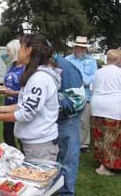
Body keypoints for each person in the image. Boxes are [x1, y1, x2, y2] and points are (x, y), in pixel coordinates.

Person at [0, 34, 61, 161]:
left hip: (40, 146)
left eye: (21, 47)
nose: (18, 51)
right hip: (34, 143)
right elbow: (25, 104)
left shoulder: (39, 79)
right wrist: (0, 109)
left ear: (28, 50)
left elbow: (26, 113)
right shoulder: (34, 75)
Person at [53, 52, 86, 196]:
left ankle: (66, 192)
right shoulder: (52, 65)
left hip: (68, 120)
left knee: (68, 159)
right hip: (59, 119)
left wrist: (51, 101)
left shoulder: (64, 67)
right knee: (60, 157)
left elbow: (78, 100)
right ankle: (59, 188)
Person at [91, 49, 121, 176]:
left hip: (97, 105)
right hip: (112, 107)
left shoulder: (98, 72)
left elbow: (92, 88)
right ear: (118, 60)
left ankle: (101, 161)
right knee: (111, 137)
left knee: (99, 136)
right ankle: (106, 166)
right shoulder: (119, 72)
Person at [66, 36, 98, 153]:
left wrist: (86, 81)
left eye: (83, 48)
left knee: (84, 121)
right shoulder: (68, 59)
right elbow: (64, 74)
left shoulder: (92, 60)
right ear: (75, 47)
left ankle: (84, 144)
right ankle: (71, 141)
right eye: (79, 47)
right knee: (71, 119)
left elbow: (95, 75)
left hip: (86, 94)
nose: (81, 50)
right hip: (71, 94)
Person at [0, 39, 25, 147]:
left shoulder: (25, 68)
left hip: (20, 107)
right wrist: (4, 90)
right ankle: (13, 158)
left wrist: (13, 93)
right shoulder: (11, 66)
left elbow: (28, 92)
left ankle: (25, 160)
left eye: (9, 51)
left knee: (21, 138)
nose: (7, 53)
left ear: (15, 51)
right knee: (7, 135)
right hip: (7, 106)